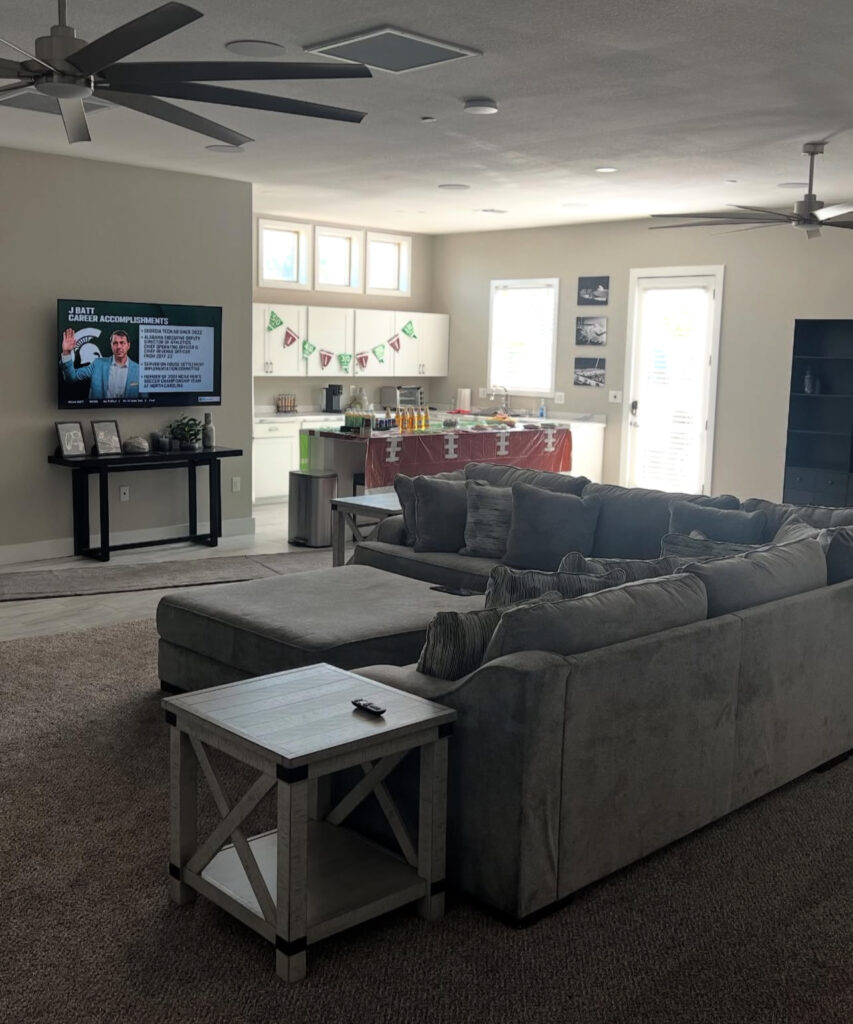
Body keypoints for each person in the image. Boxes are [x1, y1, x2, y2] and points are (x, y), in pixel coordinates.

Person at [59, 328, 141, 399]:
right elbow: (71, 377)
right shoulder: (98, 364)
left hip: (128, 414)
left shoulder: (138, 370)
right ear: (111, 346)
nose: (119, 347)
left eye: (122, 343)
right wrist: (66, 352)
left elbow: (144, 400)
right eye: (115, 343)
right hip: (98, 413)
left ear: (128, 345)